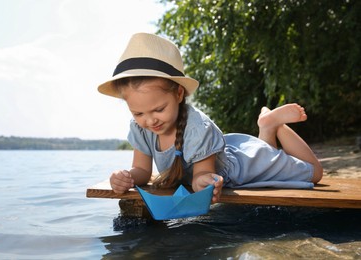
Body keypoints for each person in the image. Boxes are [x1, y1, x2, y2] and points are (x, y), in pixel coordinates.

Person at [97, 33, 323, 203]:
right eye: (138, 113)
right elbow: (143, 171)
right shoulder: (141, 129)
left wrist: (203, 182)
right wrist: (126, 177)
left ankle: (275, 124)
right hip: (231, 153)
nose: (150, 120)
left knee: (314, 174)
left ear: (178, 94)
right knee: (266, 149)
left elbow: (203, 174)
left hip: (242, 168)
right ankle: (266, 130)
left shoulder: (197, 128)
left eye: (158, 109)